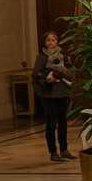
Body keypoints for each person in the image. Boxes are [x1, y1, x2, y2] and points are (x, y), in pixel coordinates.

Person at [32, 31, 76, 162]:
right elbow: (36, 75)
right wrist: (46, 79)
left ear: (57, 41)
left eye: (53, 40)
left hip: (62, 91)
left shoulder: (63, 55)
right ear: (44, 42)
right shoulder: (41, 57)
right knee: (51, 123)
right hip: (48, 94)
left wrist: (65, 73)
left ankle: (64, 149)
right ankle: (53, 152)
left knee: (63, 121)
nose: (51, 42)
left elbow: (72, 70)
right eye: (48, 40)